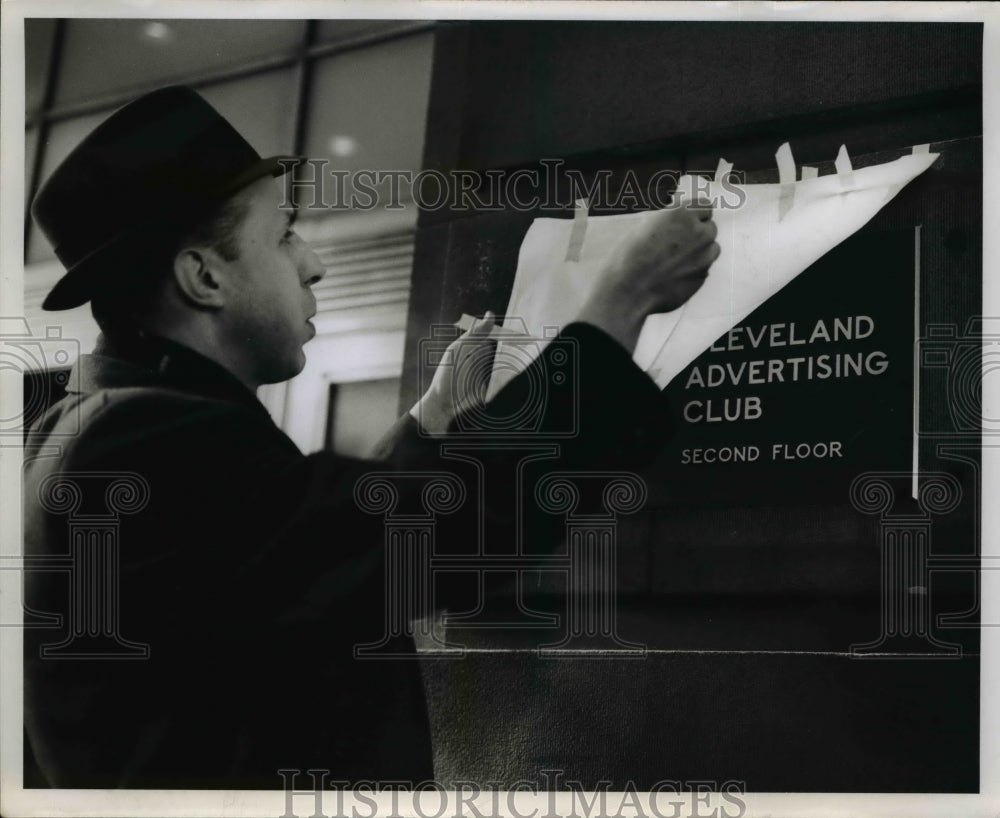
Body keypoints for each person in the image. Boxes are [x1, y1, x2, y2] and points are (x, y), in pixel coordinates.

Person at [22, 86, 719, 789]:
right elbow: (438, 535)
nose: (313, 263)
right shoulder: (146, 439)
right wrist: (620, 300)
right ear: (204, 277)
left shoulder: (96, 421)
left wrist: (429, 420)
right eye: (285, 233)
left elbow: (304, 551)